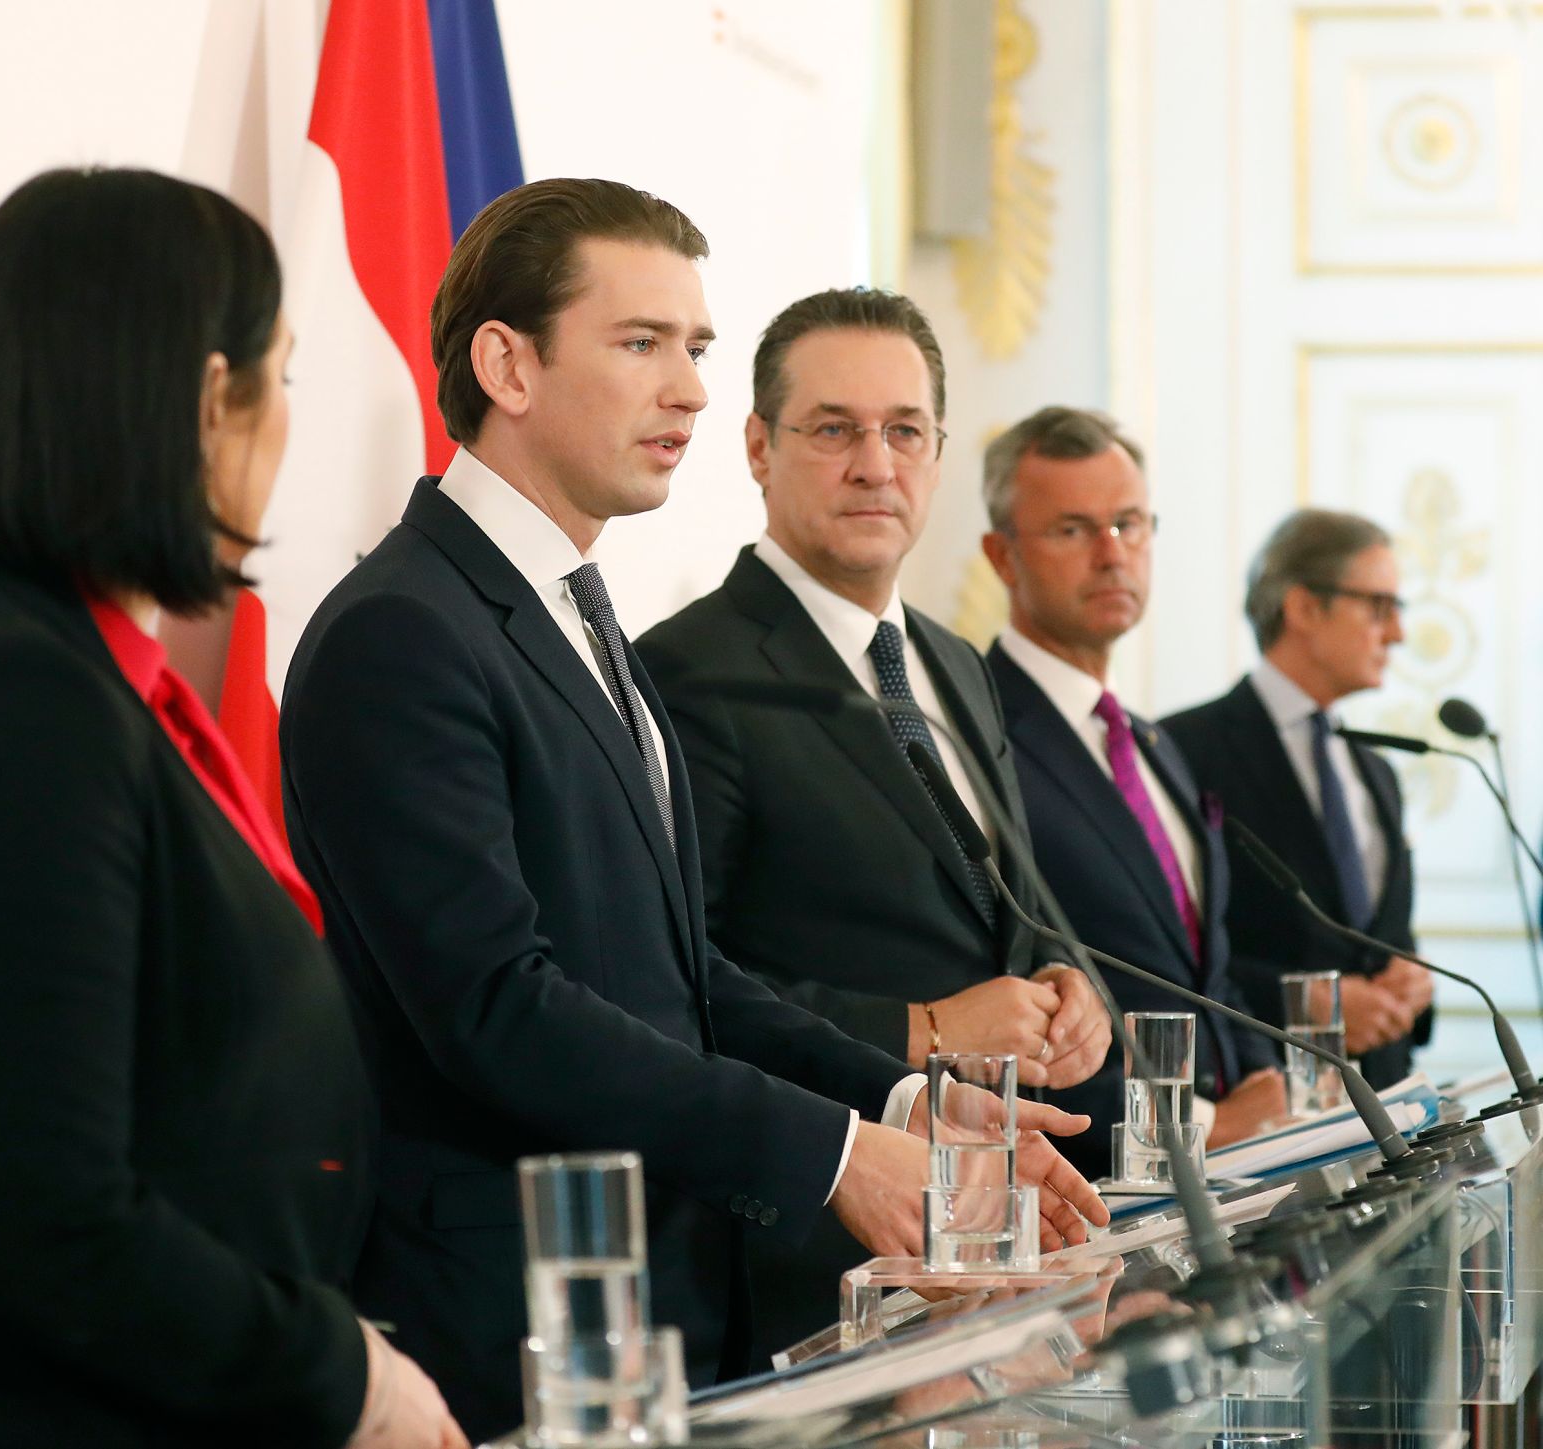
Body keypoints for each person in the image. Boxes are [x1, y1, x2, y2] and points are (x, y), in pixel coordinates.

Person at [279, 180, 1108, 1439]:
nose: (689, 390)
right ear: (504, 362)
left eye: (697, 349)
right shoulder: (405, 630)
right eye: (640, 344)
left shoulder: (576, 612)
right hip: (509, 1312)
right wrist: (834, 1157)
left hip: (663, 1297)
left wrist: (899, 1103)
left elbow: (681, 978)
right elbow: (500, 1007)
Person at [0, 168, 465, 1449]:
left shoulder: (59, 672)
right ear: (211, 400)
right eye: (283, 377)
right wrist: (340, 1374)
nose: (285, 424)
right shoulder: (12, 700)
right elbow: (48, 1214)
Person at [636, 289, 1110, 1356]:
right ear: (758, 447)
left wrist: (1070, 986)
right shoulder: (687, 671)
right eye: (833, 429)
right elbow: (681, 982)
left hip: (987, 1232)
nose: (873, 464)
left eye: (903, 431)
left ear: (937, 454)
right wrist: (926, 1032)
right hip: (814, 1251)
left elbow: (1004, 902)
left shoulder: (953, 663)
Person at [977, 407, 1285, 1177]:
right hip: (1096, 1185)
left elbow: (1201, 970)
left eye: (1130, 524)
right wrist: (1205, 1124)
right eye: (1074, 530)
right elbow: (1004, 983)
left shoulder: (1152, 741)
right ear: (1002, 555)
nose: (1113, 554)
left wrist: (1273, 1089)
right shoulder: (979, 734)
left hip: (1235, 1184)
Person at [1164, 509, 1432, 1088]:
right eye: (1379, 608)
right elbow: (1166, 949)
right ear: (1305, 608)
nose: (1397, 634)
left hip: (1389, 1097)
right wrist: (1307, 1003)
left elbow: (1384, 938)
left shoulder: (1377, 770)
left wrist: (1413, 984)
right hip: (1262, 1099)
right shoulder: (1181, 749)